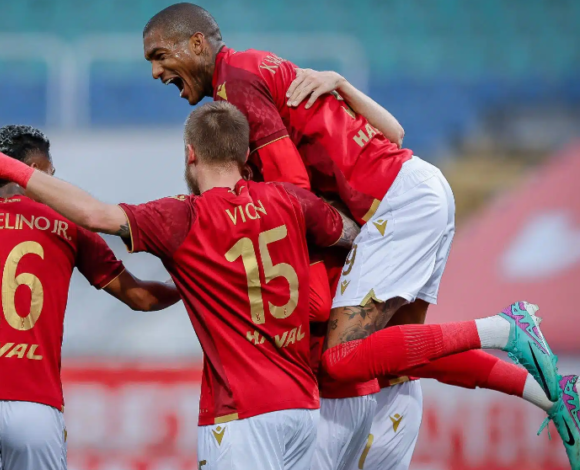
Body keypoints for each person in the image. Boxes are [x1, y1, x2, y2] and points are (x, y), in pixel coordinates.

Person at [139, 4, 579, 469]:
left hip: (393, 211)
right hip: (417, 185)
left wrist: (300, 251)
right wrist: (344, 85)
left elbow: (294, 188)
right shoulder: (264, 70)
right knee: (402, 345)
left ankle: (504, 329)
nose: (154, 72)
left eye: (160, 56)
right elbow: (395, 133)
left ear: (197, 44)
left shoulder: (238, 86)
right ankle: (551, 395)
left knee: (342, 358)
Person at [0, 101, 361, 470]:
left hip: (242, 413)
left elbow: (95, 215)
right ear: (244, 154)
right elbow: (353, 234)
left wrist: (12, 169)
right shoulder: (290, 199)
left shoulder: (184, 217)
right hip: (303, 408)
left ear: (191, 153)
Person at [0, 125, 180, 470]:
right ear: (34, 171)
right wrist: (190, 282)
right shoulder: (68, 227)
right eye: (51, 175)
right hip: (36, 407)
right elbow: (142, 297)